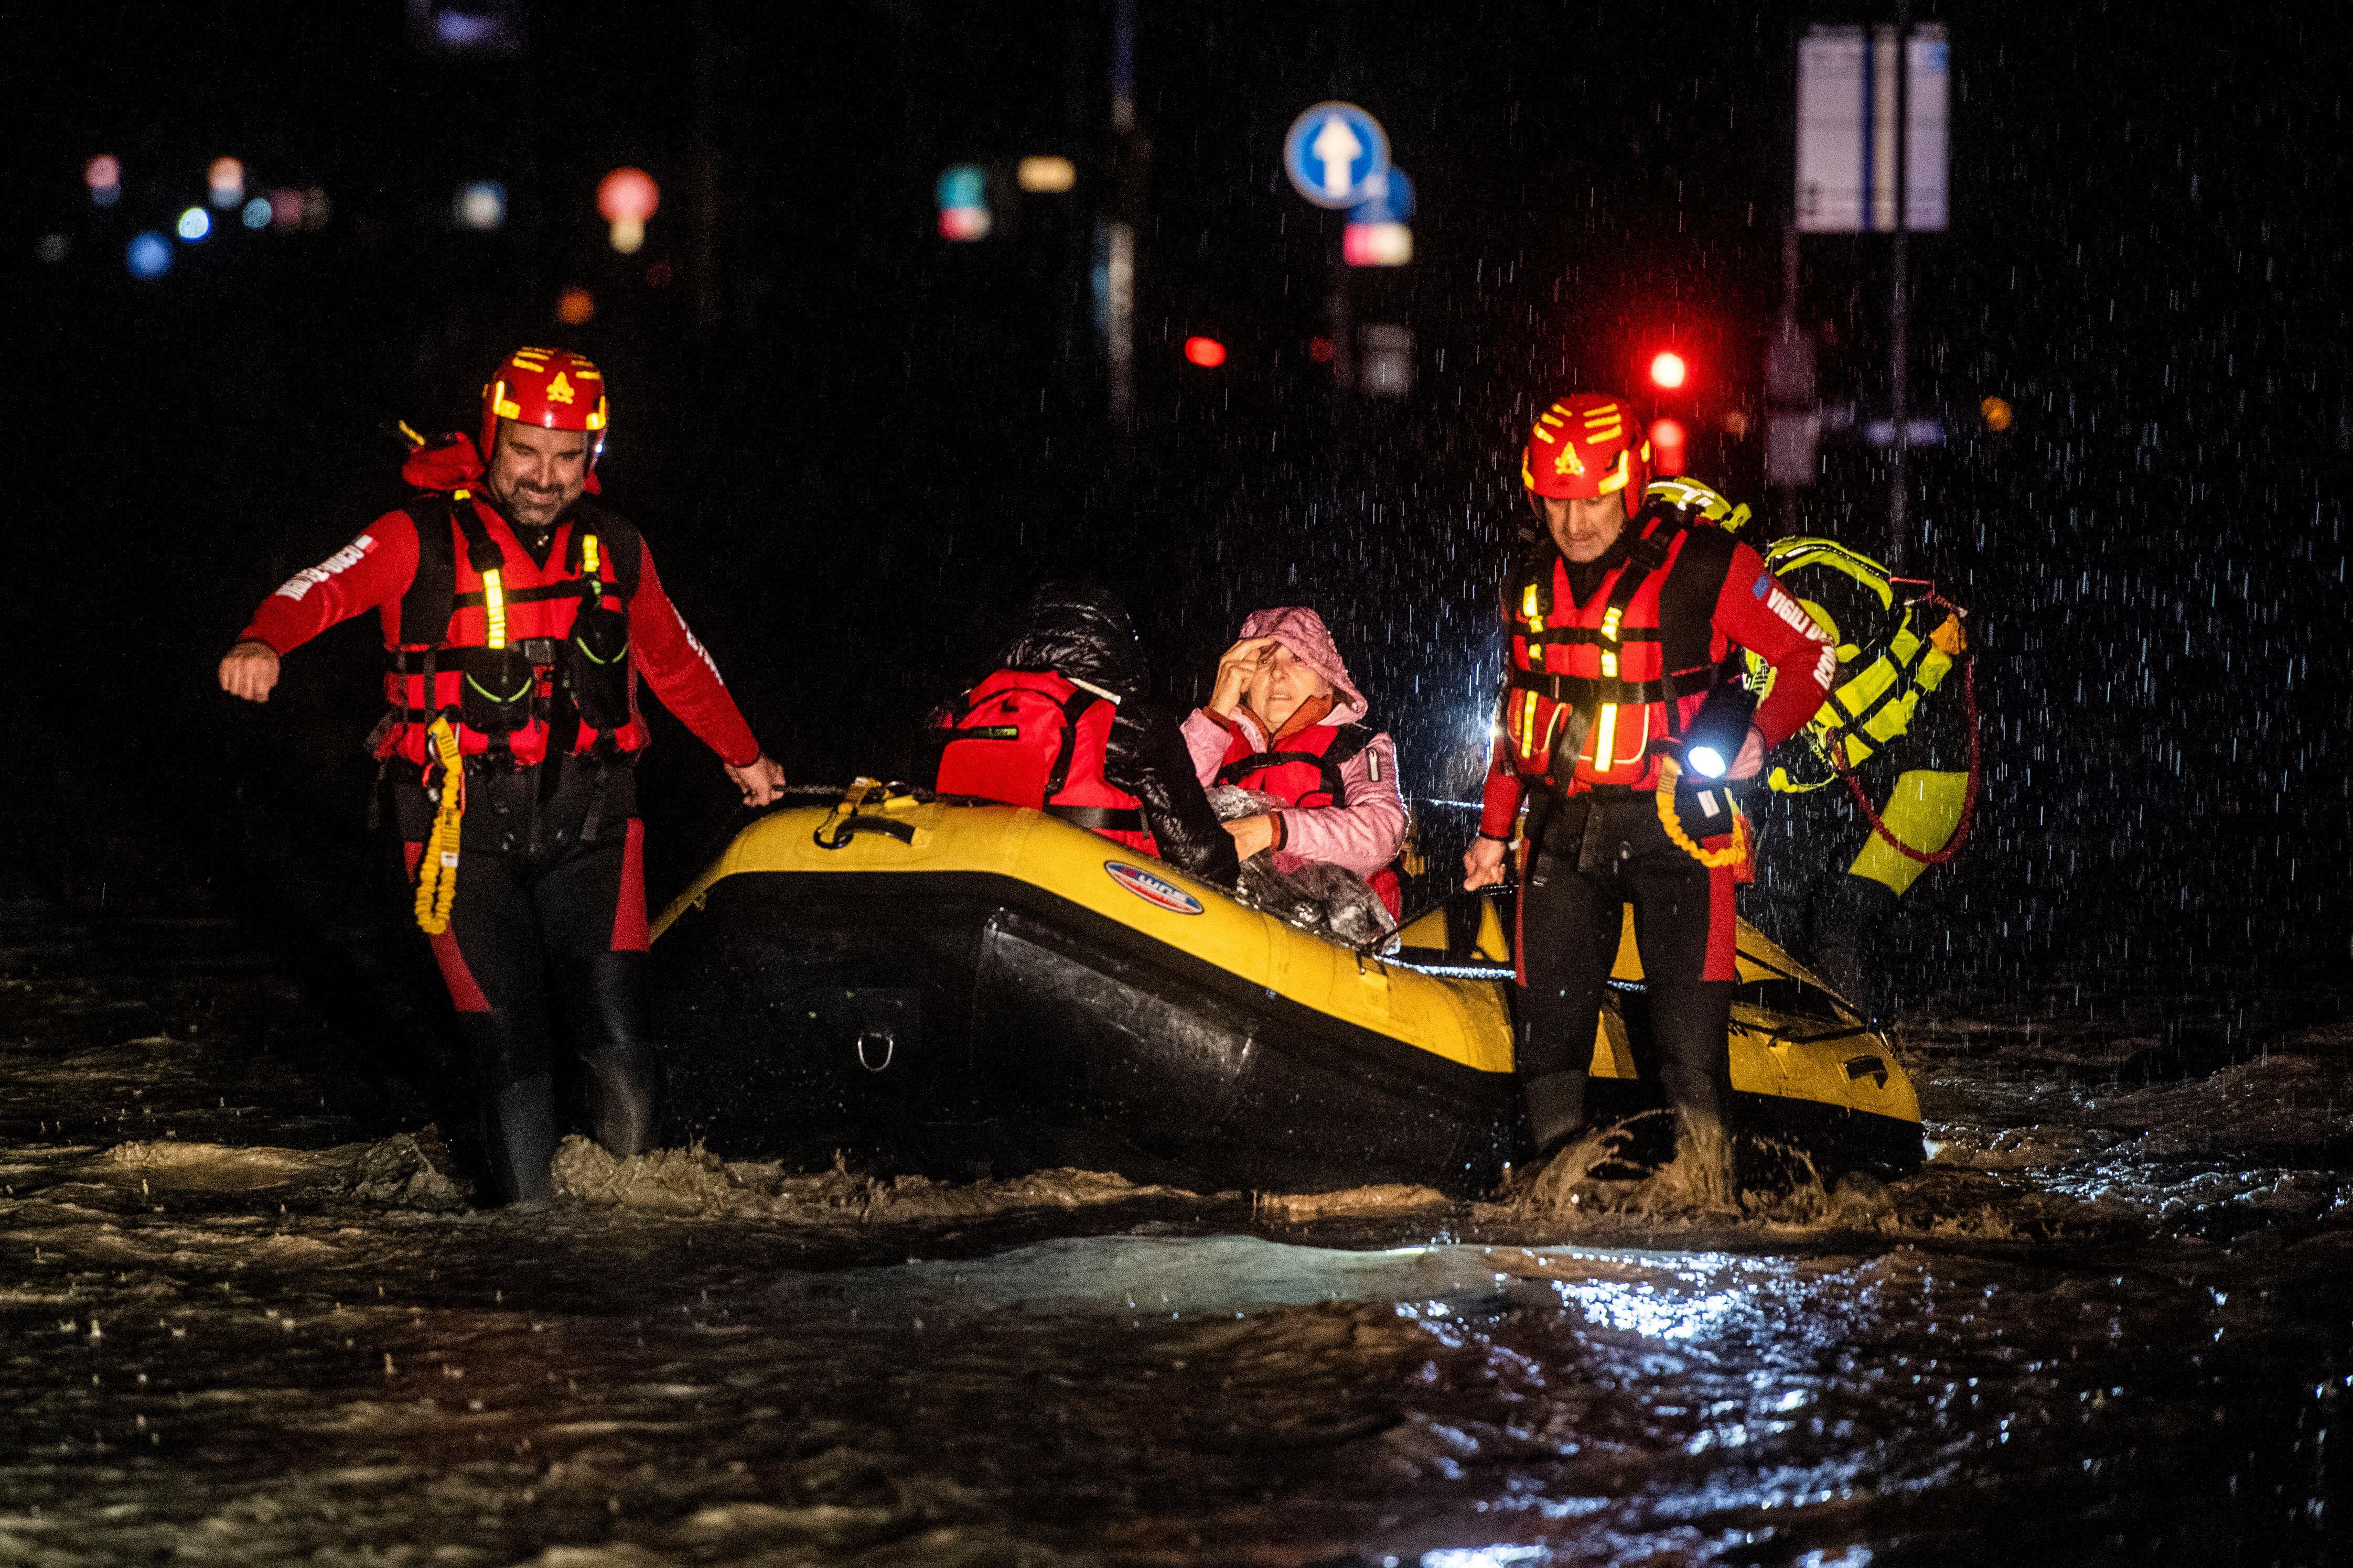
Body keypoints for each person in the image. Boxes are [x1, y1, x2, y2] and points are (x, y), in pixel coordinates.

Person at [219, 346, 787, 1204]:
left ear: (592, 456)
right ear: (490, 440)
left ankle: (635, 1238)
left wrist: (742, 753)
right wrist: (263, 641)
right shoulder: (414, 535)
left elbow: (674, 660)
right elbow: (318, 590)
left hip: (593, 821)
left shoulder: (619, 546)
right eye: (525, 451)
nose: (544, 477)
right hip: (456, 828)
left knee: (620, 1036)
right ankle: (532, 1248)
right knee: (510, 1045)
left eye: (567, 457)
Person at [1461, 392, 1836, 1165]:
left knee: (1689, 1055)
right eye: (1557, 501)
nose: (1575, 523)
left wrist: (1760, 735)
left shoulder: (1706, 562)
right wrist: (1490, 832)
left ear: (1630, 482)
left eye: (1593, 498)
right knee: (1549, 1052)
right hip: (1561, 838)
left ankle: (1705, 1206)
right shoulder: (1525, 580)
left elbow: (1812, 655)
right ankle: (1555, 1221)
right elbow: (1518, 716)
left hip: (1680, 838)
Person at [1735, 531, 1974, 1019]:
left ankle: (1862, 1055)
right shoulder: (1749, 587)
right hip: (1846, 769)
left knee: (1841, 917)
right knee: (1765, 910)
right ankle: (1767, 1038)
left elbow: (1820, 694)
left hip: (1927, 769)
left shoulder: (1807, 587)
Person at [930, 583, 1239, 888]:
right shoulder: (1134, 724)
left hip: (961, 889)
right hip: (1082, 908)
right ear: (1116, 645)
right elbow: (1205, 864)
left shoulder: (959, 712)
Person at [1181, 606, 1408, 917]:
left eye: (1298, 659)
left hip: (1333, 930)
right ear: (1244, 677)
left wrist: (1271, 830)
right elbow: (1163, 800)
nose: (1278, 673)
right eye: (1264, 661)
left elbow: (1382, 831)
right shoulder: (1214, 734)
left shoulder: (1360, 747)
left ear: (1328, 682)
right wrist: (1218, 709)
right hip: (1228, 913)